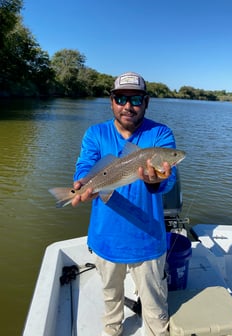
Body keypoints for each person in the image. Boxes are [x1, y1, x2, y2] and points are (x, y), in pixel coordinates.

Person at [72, 72, 177, 336]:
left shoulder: (160, 134)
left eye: (136, 99)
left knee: (155, 310)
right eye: (120, 98)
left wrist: (155, 181)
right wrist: (83, 184)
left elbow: (168, 180)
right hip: (105, 239)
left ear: (146, 102)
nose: (127, 106)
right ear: (111, 101)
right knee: (111, 303)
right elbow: (85, 166)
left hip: (149, 240)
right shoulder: (95, 133)